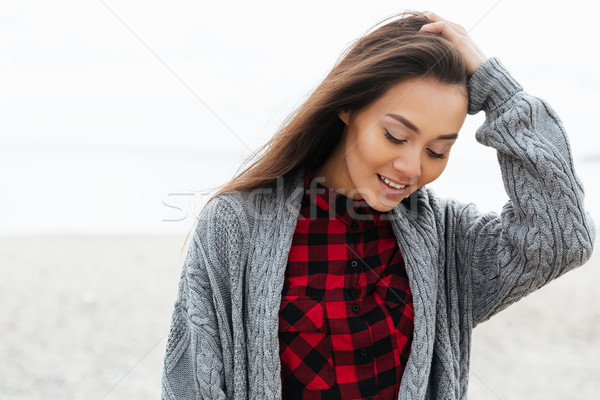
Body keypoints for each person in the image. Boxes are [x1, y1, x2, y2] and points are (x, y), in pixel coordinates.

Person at [160, 10, 595, 400]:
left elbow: (561, 240)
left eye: (437, 151)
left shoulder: (448, 239)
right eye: (395, 136)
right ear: (349, 106)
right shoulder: (236, 225)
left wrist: (498, 90)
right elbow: (189, 384)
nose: (410, 167)